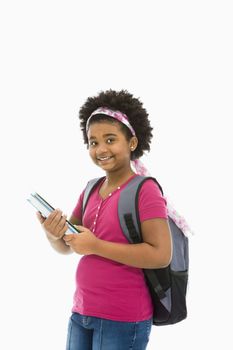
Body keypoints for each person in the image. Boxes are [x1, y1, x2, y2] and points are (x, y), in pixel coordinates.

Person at [37, 89, 172, 350]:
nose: (101, 149)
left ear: (132, 143)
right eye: (93, 142)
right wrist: (52, 234)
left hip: (123, 318)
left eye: (110, 140)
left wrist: (96, 246)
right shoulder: (90, 188)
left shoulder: (145, 190)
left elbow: (160, 254)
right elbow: (68, 245)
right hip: (82, 312)